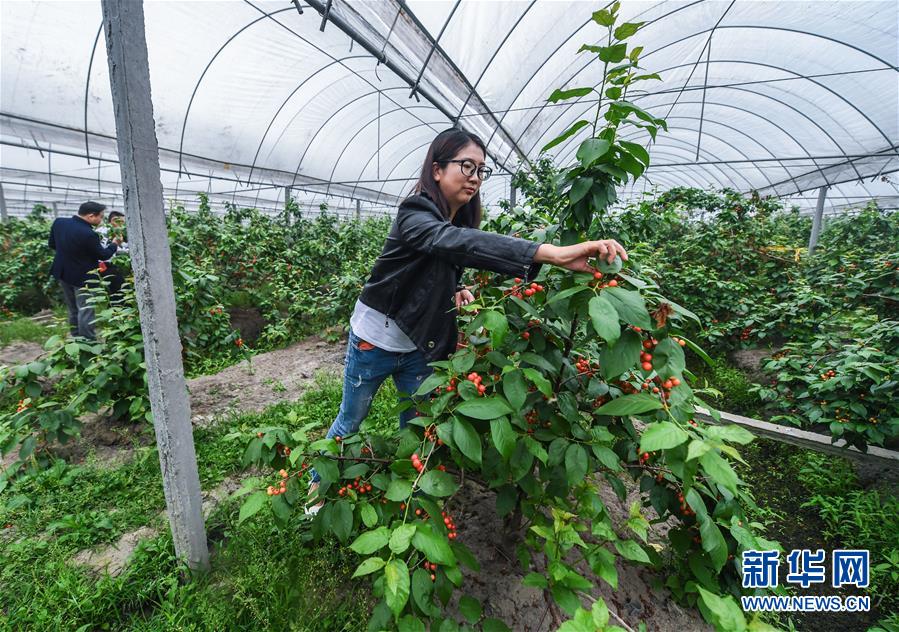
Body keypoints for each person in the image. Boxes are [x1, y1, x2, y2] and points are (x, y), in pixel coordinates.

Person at [306, 128, 627, 513]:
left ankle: (410, 504)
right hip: (375, 339)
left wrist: (454, 288)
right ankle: (315, 498)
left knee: (420, 428)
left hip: (419, 345)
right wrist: (551, 253)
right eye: (466, 166)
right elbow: (450, 243)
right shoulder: (414, 212)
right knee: (350, 420)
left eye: (481, 170)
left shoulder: (456, 222)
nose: (475, 177)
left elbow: (444, 257)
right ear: (437, 169)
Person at [48, 201, 120, 340]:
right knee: (86, 309)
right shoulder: (88, 233)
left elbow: (52, 244)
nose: (101, 220)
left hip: (63, 272)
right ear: (91, 216)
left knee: (73, 308)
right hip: (83, 277)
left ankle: (76, 338)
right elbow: (103, 255)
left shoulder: (59, 222)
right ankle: (88, 341)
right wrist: (114, 244)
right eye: (100, 217)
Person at [96, 210, 129, 302]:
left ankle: (116, 305)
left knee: (116, 288)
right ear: (113, 220)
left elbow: (118, 246)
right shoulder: (103, 232)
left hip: (107, 265)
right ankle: (118, 306)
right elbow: (105, 249)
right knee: (119, 288)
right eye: (121, 222)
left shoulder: (113, 231)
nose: (122, 225)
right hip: (103, 265)